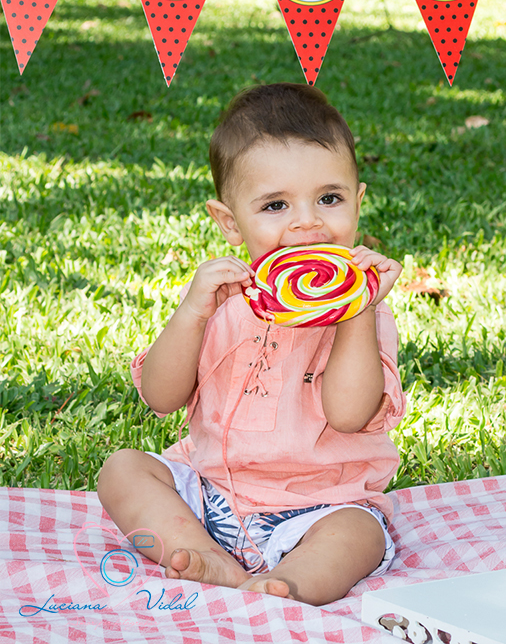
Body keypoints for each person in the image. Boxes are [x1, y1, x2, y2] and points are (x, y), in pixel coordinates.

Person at [97, 83, 405, 606]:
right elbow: (160, 396)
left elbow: (350, 415)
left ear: (358, 201)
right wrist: (193, 312)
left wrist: (359, 310)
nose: (307, 222)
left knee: (360, 534)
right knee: (122, 470)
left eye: (329, 198)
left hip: (319, 505)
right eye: (275, 205)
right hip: (211, 494)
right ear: (229, 221)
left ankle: (292, 582)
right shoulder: (221, 300)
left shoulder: (367, 309)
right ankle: (203, 554)